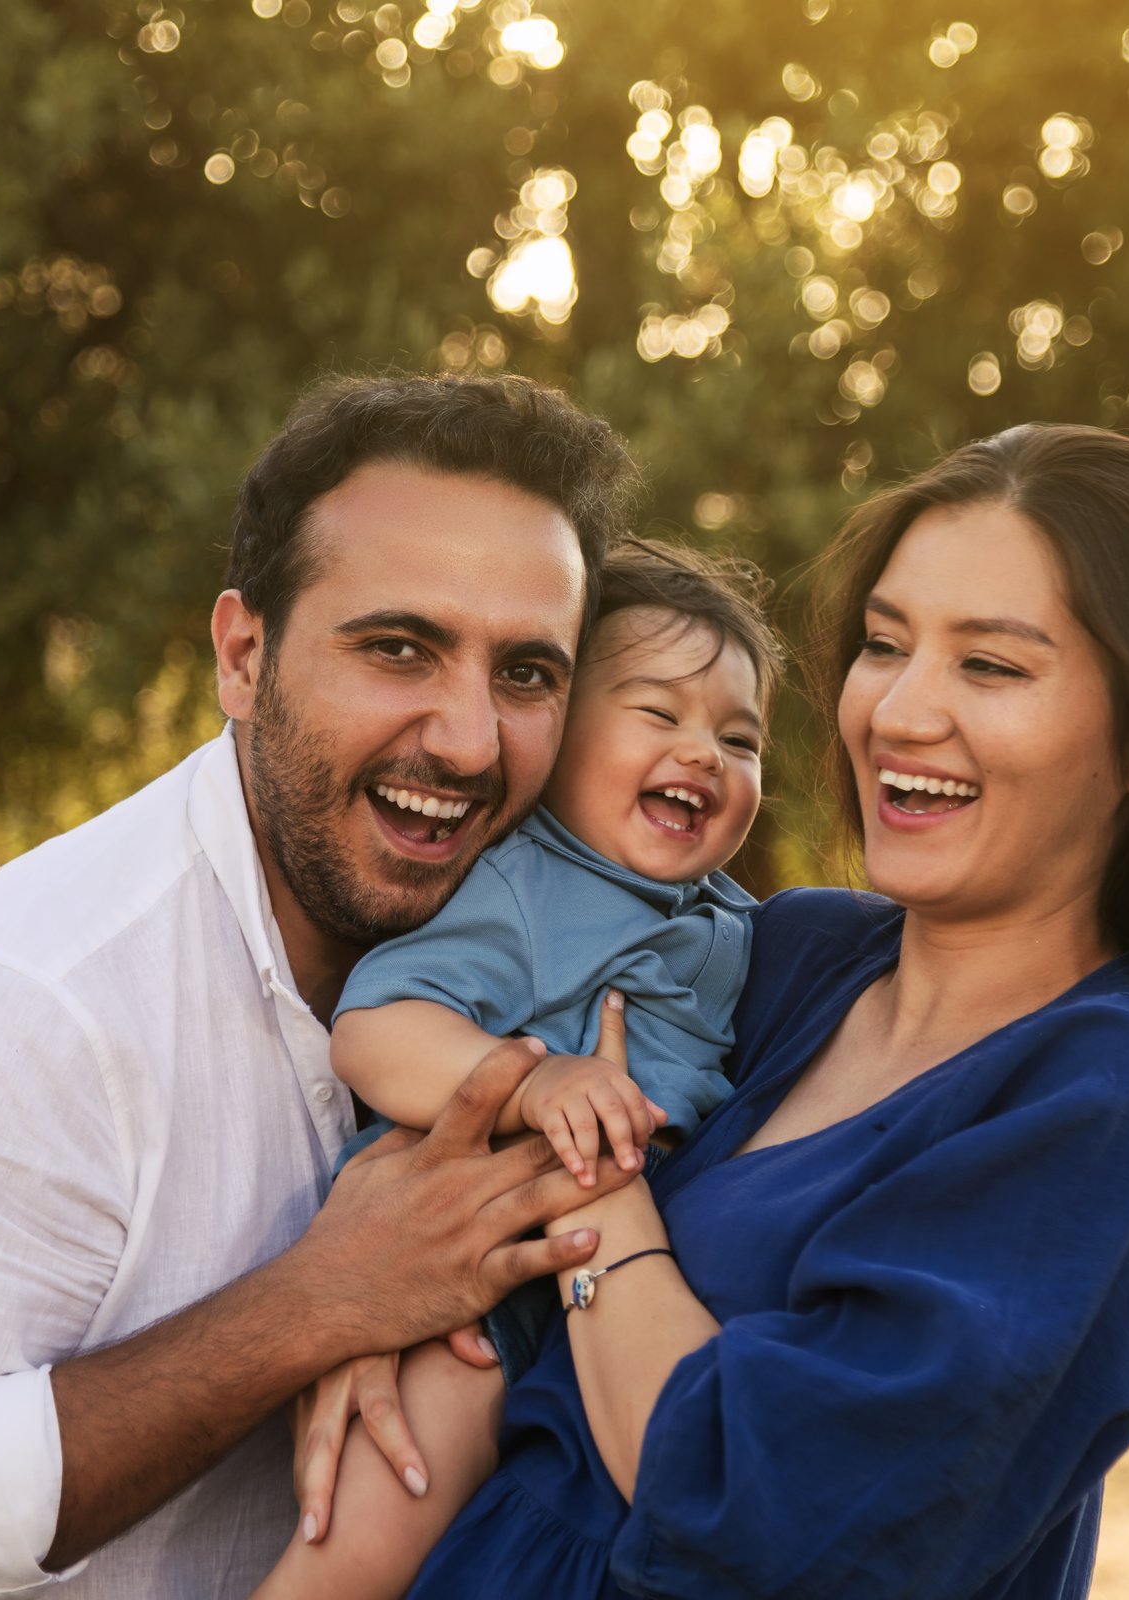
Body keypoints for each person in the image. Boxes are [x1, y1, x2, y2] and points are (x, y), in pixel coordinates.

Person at [388, 424, 1129, 1597]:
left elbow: (750, 1512)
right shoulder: (787, 956)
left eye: (993, 666)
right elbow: (450, 1027)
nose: (898, 712)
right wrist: (374, 1326)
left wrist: (593, 1178)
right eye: (884, 644)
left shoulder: (1111, 1088)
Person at [0, 373, 658, 1600]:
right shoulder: (37, 1000)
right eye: (399, 648)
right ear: (243, 655)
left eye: (525, 674)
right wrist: (318, 1304)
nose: (466, 741)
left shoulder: (565, 957)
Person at [255, 538, 784, 1600]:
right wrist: (530, 1081)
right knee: (367, 1545)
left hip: (603, 1296)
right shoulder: (529, 884)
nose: (707, 755)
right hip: (473, 1283)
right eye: (661, 714)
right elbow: (375, 1024)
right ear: (559, 737)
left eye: (741, 736)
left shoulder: (734, 920)